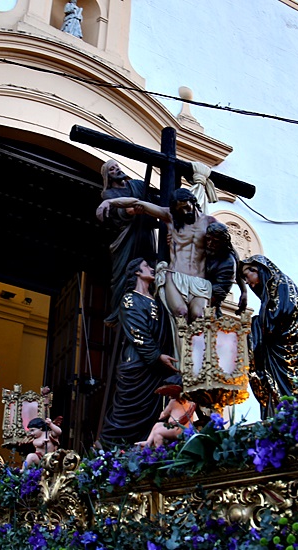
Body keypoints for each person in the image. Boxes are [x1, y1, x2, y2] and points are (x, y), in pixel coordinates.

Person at [97, 187, 214, 322]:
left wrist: (243, 289)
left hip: (199, 280)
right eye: (180, 209)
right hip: (176, 276)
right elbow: (137, 203)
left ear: (193, 201)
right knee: (181, 314)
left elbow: (228, 250)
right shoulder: (171, 216)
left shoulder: (210, 222)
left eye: (186, 207)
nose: (184, 212)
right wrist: (110, 202)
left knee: (199, 317)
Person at [101, 258, 177, 445]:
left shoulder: (158, 300)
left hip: (155, 368)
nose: (151, 268)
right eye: (146, 266)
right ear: (136, 272)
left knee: (153, 410)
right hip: (137, 364)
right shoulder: (130, 299)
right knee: (127, 411)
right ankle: (111, 448)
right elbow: (137, 331)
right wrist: (157, 355)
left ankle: (146, 448)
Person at [240, 255, 298, 416]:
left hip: (286, 351)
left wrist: (255, 325)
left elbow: (280, 316)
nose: (248, 283)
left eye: (246, 276)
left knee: (290, 394)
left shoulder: (281, 284)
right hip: (276, 356)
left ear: (256, 269)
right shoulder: (272, 291)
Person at [97, 160, 157, 325]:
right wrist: (137, 208)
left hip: (145, 232)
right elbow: (125, 211)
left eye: (117, 167)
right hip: (129, 237)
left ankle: (150, 303)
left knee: (151, 266)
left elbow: (156, 197)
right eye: (112, 169)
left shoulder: (136, 185)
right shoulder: (109, 194)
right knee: (124, 273)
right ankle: (118, 311)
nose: (116, 170)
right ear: (107, 176)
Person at [203, 221, 247, 316]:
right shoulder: (203, 246)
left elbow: (216, 295)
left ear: (223, 243)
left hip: (209, 308)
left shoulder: (228, 263)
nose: (210, 244)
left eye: (215, 242)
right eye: (208, 239)